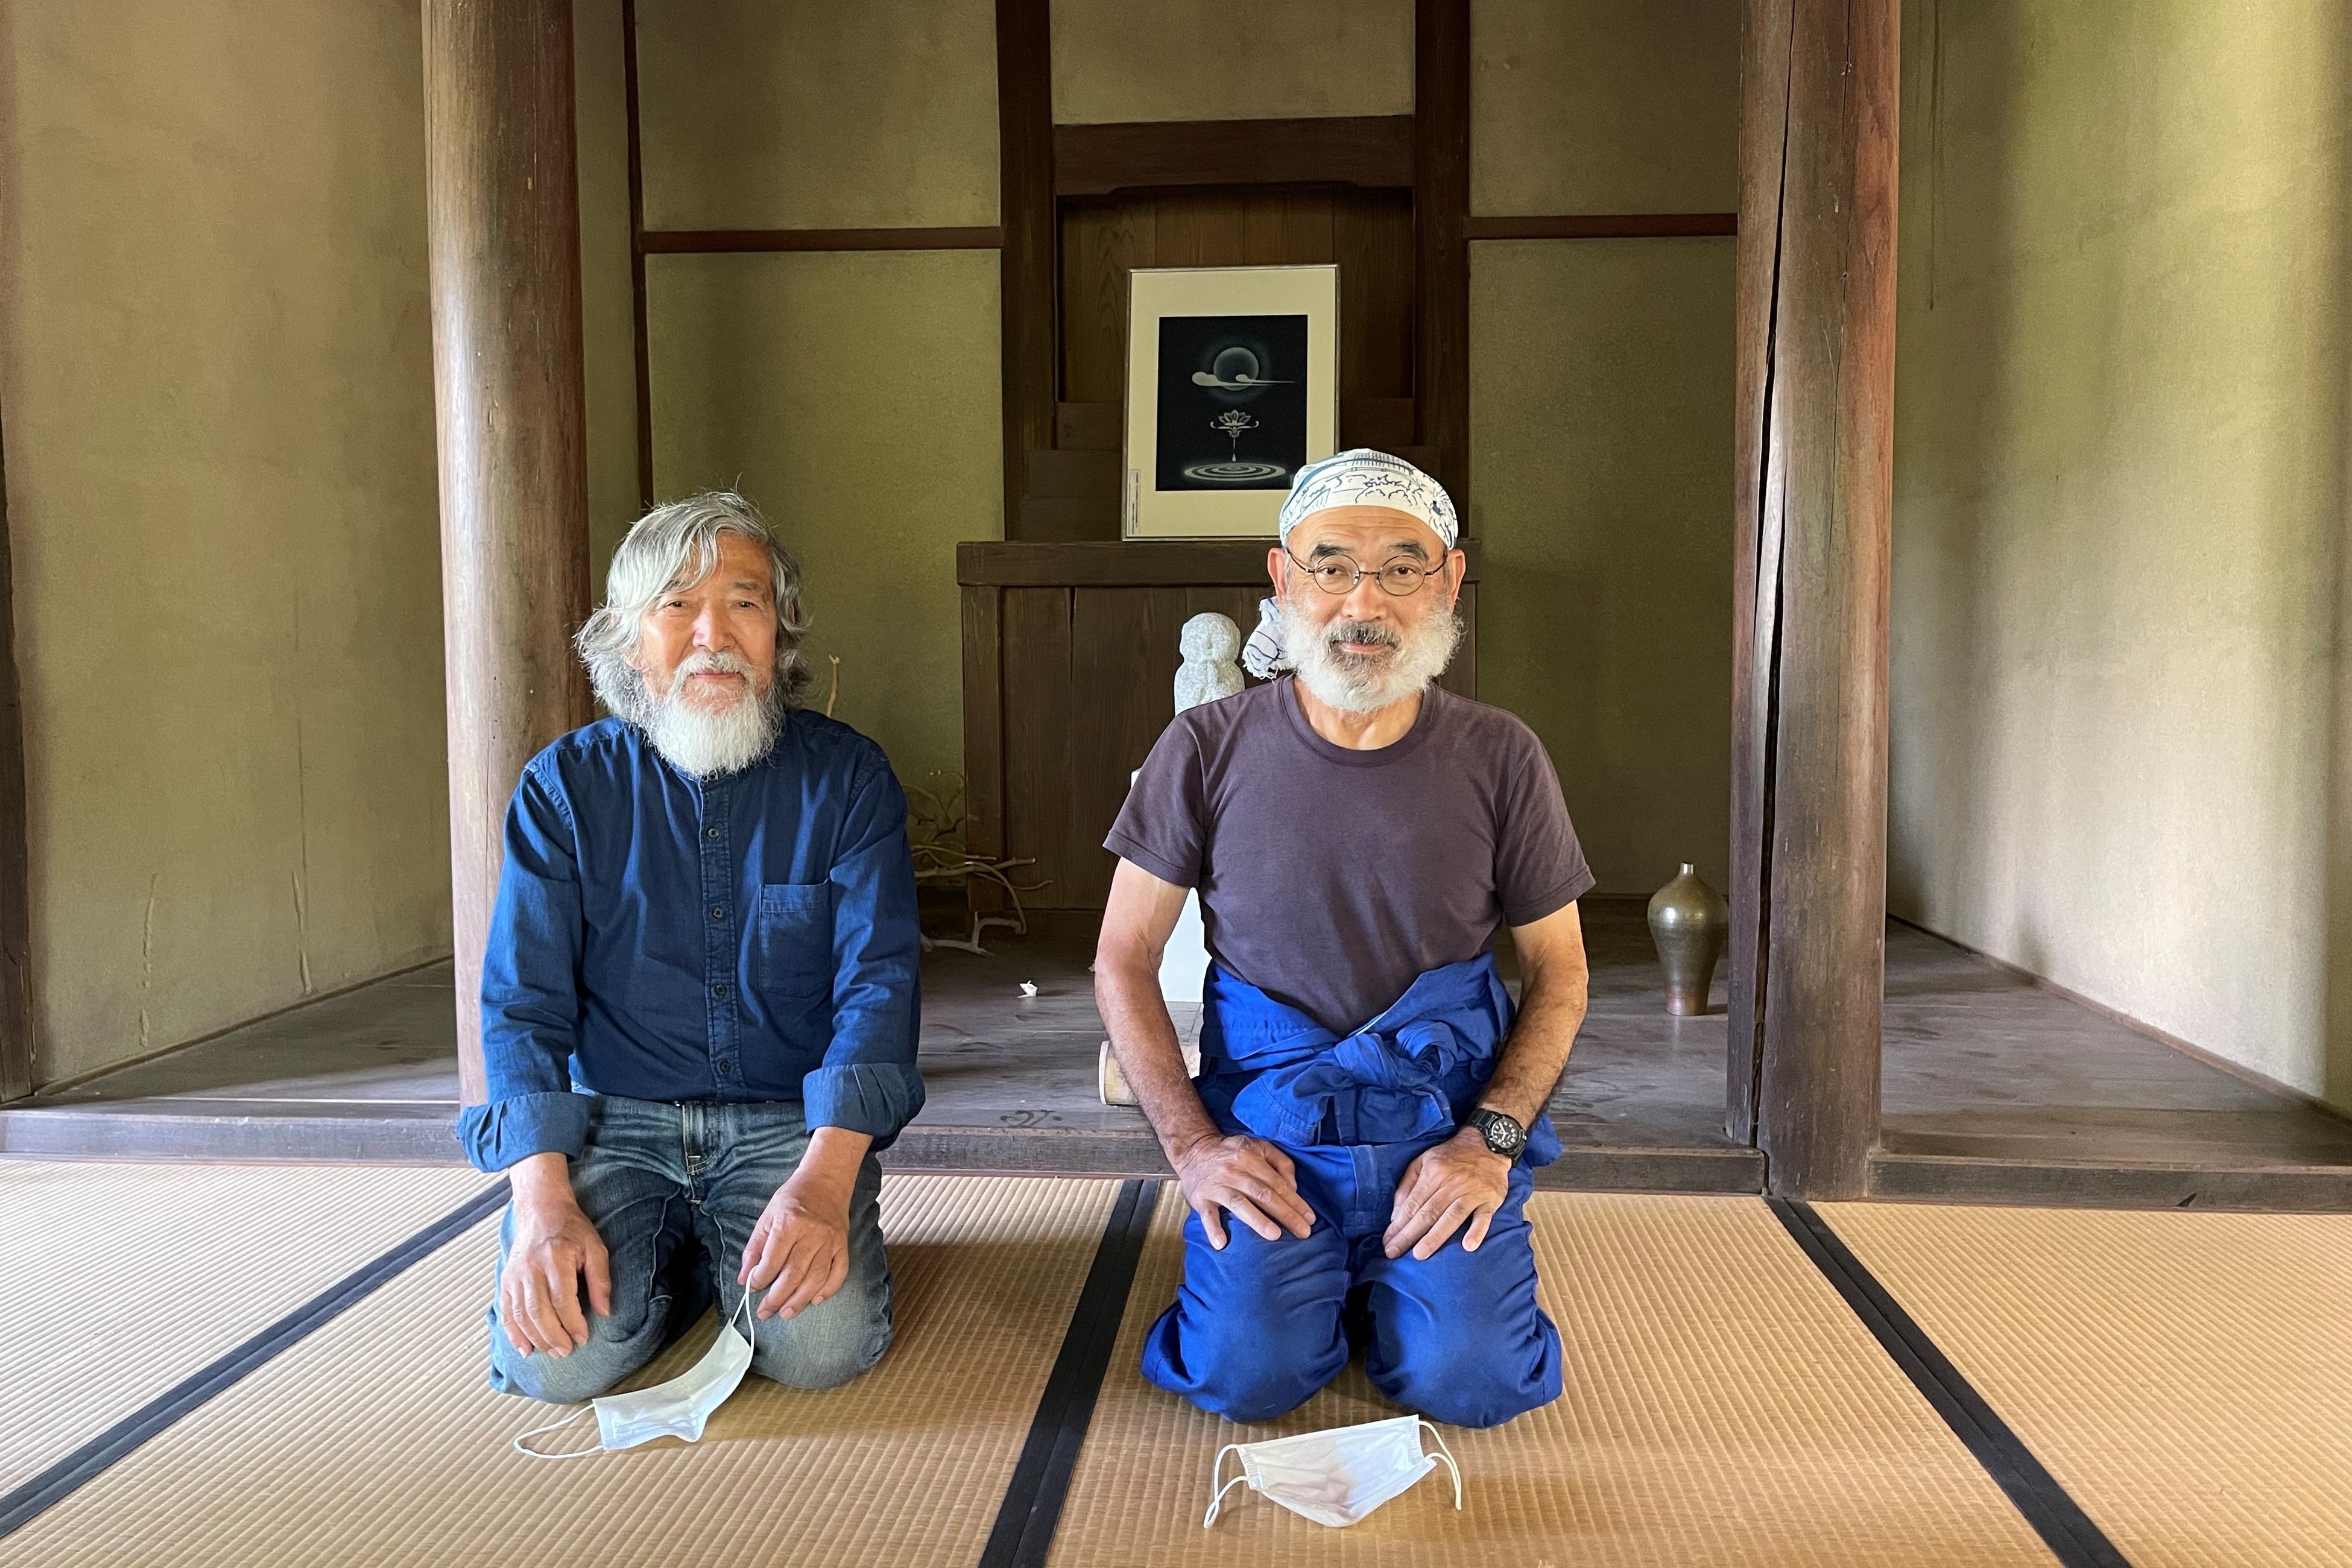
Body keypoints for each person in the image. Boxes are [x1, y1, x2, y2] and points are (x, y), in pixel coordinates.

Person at [1095, 449, 1593, 1429]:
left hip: (1438, 1132)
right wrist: (1195, 1148)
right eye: (1331, 566)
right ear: (1284, 581)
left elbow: (1562, 971)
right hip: (1270, 1134)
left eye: (1403, 568)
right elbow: (1122, 957)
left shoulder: (1502, 755)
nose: (1364, 601)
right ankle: (1314, 1290)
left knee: (1476, 1382)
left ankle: (1395, 1292)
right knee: (1246, 1377)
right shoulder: (1205, 747)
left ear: (1449, 580)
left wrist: (1489, 1144)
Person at [461, 491, 923, 1403]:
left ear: (780, 635)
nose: (713, 634)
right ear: (630, 640)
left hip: (788, 1123)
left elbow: (879, 987)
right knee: (558, 1362)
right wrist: (543, 1204)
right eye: (678, 606)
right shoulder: (565, 790)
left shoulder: (849, 779)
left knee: (824, 1349)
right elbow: (522, 1004)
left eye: (744, 604)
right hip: (618, 1123)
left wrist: (826, 1185)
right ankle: (678, 1274)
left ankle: (711, 1260)